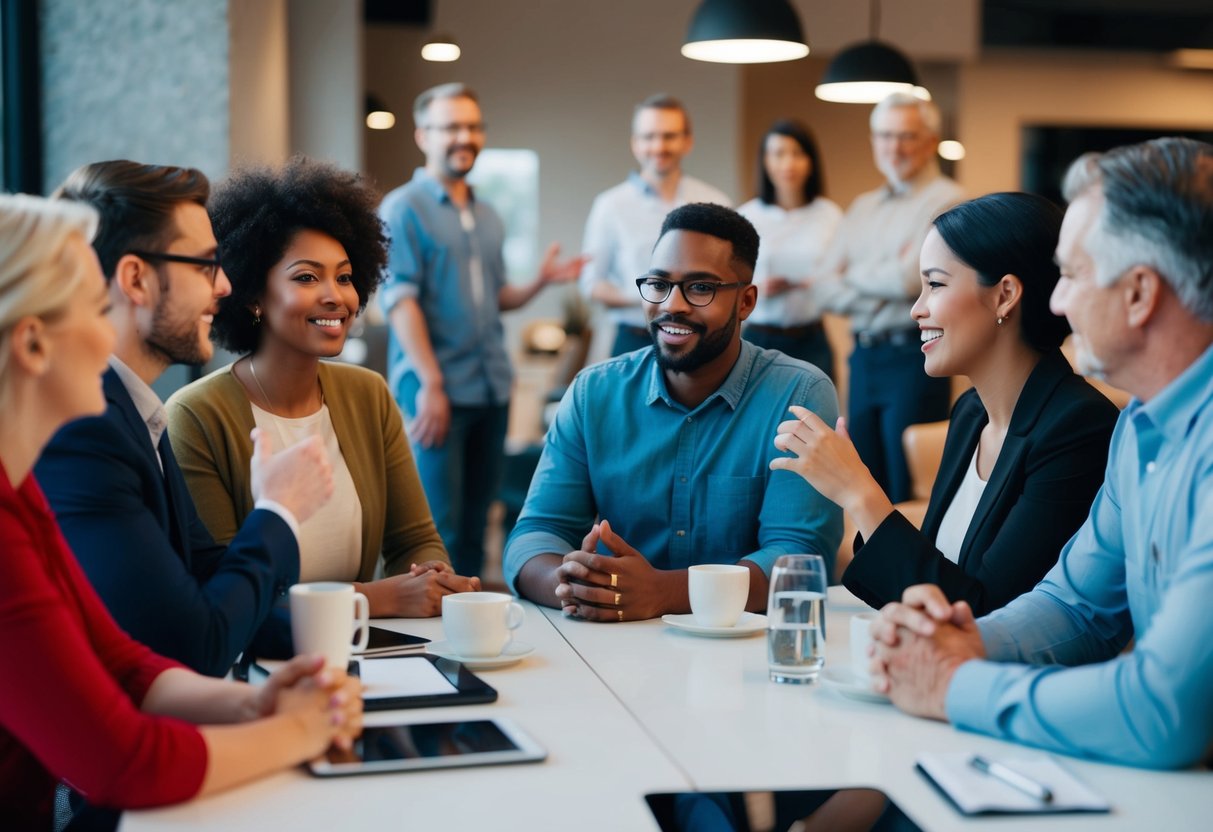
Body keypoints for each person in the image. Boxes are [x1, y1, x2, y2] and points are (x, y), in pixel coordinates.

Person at [0, 194, 361, 828]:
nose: (107, 332)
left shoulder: (19, 490)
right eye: (92, 308)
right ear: (32, 345)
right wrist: (301, 731)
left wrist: (250, 706)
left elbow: (121, 660)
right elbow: (123, 761)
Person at [870, 137, 1213, 769]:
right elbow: (1076, 605)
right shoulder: (1141, 423)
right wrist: (956, 640)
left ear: (1139, 293)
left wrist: (954, 685)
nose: (1054, 301)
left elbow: (1165, 712)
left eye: (1075, 275)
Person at [36, 160, 333, 676]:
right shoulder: (83, 431)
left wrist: (347, 640)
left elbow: (202, 577)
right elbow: (193, 645)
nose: (223, 287)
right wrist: (279, 509)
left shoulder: (131, 410)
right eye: (204, 265)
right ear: (136, 279)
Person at [772, 193, 1118, 616]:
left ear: (1004, 295)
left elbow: (984, 614)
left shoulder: (1079, 428)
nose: (917, 310)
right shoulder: (971, 412)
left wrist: (859, 492)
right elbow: (933, 579)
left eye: (935, 284)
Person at [167, 156, 480, 619]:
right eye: (307, 277)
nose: (337, 295)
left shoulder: (368, 395)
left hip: (362, 652)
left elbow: (413, 539)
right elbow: (224, 590)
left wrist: (433, 579)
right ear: (253, 293)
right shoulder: (196, 415)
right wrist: (379, 597)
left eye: (346, 276)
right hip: (257, 668)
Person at [506, 203, 842, 622]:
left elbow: (798, 556)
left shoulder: (799, 393)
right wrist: (577, 585)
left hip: (745, 652)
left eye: (700, 288)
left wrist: (663, 593)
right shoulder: (594, 393)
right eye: (659, 284)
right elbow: (534, 534)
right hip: (615, 642)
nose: (673, 305)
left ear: (746, 301)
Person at [379, 82, 587, 579]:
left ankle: (469, 629)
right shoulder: (402, 208)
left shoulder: (489, 213)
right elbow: (400, 301)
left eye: (473, 126)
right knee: (436, 530)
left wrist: (539, 281)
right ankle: (430, 641)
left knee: (480, 526)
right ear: (422, 134)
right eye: (451, 126)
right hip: (436, 392)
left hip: (491, 387)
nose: (464, 136)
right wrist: (430, 383)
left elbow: (493, 298)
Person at [819, 93, 965, 503]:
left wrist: (857, 276)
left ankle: (910, 570)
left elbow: (908, 281)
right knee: (862, 481)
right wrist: (883, 283)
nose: (893, 147)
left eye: (905, 136)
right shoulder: (863, 207)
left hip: (915, 357)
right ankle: (870, 569)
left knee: (908, 487)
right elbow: (824, 285)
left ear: (930, 139)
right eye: (884, 136)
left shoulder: (948, 201)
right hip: (863, 357)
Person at [580, 93, 732, 357]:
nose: (659, 146)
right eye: (649, 136)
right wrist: (649, 297)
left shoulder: (715, 202)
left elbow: (729, 278)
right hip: (633, 340)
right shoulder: (610, 205)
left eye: (669, 136)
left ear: (688, 142)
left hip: (697, 340)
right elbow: (592, 284)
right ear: (635, 144)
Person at [738, 119, 841, 379]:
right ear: (765, 161)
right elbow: (728, 280)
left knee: (815, 415)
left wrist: (820, 282)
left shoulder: (829, 214)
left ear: (811, 162)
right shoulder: (747, 216)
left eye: (797, 153)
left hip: (811, 337)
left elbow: (844, 272)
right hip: (760, 337)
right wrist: (759, 288)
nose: (788, 163)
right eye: (778, 154)